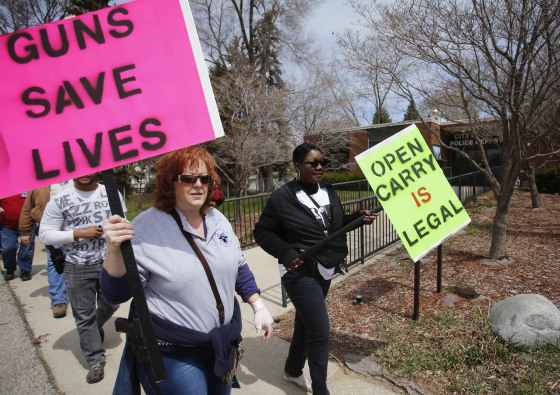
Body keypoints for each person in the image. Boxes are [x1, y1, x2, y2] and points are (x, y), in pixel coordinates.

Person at [101, 146, 274, 395]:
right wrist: (114, 250)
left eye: (204, 178)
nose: (198, 185)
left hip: (221, 345)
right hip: (173, 354)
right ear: (169, 183)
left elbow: (238, 266)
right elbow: (116, 294)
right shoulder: (145, 228)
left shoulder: (217, 218)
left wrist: (258, 305)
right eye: (188, 178)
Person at [254, 142, 378, 394]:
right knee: (320, 332)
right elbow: (262, 232)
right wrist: (286, 252)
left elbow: (334, 225)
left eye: (322, 163)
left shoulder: (329, 191)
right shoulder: (282, 197)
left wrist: (357, 217)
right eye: (313, 163)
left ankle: (292, 370)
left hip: (325, 269)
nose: (320, 167)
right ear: (298, 166)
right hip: (298, 273)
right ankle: (321, 390)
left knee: (306, 322)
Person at [39, 174, 123, 384]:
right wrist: (77, 233)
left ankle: (94, 327)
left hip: (109, 262)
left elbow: (122, 220)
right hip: (76, 265)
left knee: (113, 302)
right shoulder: (60, 199)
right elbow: (45, 234)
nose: (84, 173)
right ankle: (96, 360)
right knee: (83, 315)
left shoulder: (110, 193)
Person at [19, 181, 72, 318]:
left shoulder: (78, 179)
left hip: (76, 230)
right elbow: (27, 208)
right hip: (52, 230)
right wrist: (25, 231)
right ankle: (58, 301)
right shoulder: (40, 183)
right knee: (54, 263)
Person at [1, 192, 35, 281]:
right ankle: (9, 269)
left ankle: (25, 271)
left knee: (27, 249)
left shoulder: (29, 185)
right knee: (7, 248)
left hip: (28, 223)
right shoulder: (3, 184)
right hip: (7, 225)